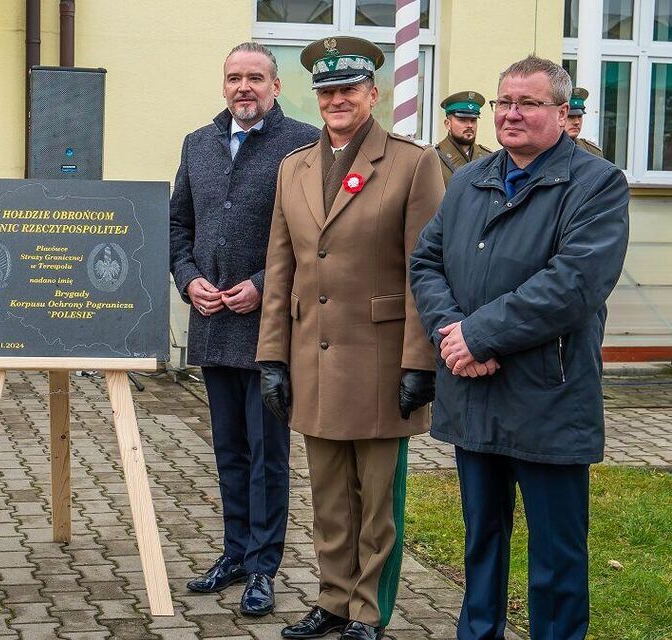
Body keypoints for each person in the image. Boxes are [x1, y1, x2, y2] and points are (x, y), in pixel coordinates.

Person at [410, 55, 629, 640]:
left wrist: (478, 335)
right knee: (481, 540)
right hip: (475, 391)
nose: (510, 114)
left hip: (548, 396)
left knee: (557, 554)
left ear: (561, 112)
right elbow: (426, 261)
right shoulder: (468, 181)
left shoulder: (596, 183)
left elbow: (574, 284)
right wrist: (452, 332)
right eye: (503, 102)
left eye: (528, 103)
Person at [255, 36, 443, 640]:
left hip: (381, 360)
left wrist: (421, 362)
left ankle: (368, 610)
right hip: (312, 357)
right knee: (330, 497)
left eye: (348, 90)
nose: (336, 100)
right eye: (327, 91)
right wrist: (271, 356)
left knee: (377, 501)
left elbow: (425, 270)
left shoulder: (413, 164)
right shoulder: (294, 167)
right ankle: (333, 599)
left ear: (373, 94)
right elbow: (280, 267)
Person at [169, 42, 318, 616]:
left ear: (276, 86)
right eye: (234, 77)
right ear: (224, 85)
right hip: (212, 323)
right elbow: (178, 224)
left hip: (269, 327)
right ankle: (234, 552)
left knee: (267, 455)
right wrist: (188, 278)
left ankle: (263, 566)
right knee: (229, 451)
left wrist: (262, 283)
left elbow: (312, 236)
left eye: (256, 77)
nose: (244, 87)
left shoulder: (302, 144)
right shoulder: (198, 143)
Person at [435, 91, 493, 185]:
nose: (470, 125)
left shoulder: (488, 157)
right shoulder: (434, 157)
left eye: (473, 120)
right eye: (462, 120)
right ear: (447, 124)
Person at [566, 87, 604, 157]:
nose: (577, 122)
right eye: (570, 116)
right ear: (560, 116)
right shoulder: (546, 149)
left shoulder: (592, 152)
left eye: (580, 116)